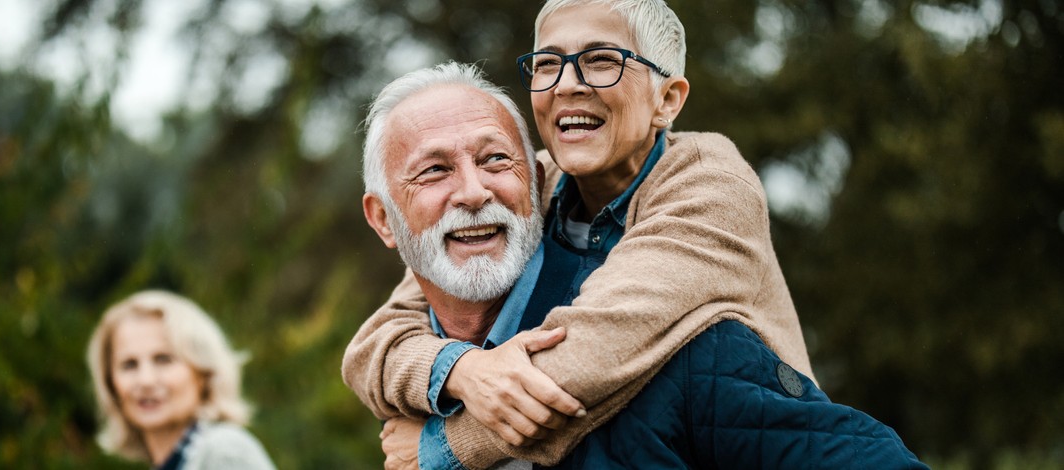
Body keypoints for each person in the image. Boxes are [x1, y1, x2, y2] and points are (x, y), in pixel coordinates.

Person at [343, 3, 925, 468]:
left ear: (667, 100)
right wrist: (461, 370)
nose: (570, 84)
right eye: (548, 64)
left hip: (735, 419)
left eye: (602, 60)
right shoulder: (526, 183)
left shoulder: (710, 185)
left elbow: (594, 349)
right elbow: (383, 337)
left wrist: (442, 450)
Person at [87, 290, 276, 470]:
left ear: (204, 373)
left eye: (163, 359)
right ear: (110, 383)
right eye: (129, 364)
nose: (145, 380)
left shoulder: (224, 451)